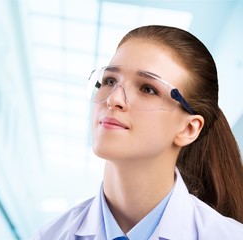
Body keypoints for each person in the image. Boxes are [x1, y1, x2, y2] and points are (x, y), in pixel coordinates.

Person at [33, 25, 243, 240]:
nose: (113, 99)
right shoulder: (50, 236)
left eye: (147, 89)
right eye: (110, 81)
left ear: (188, 129)